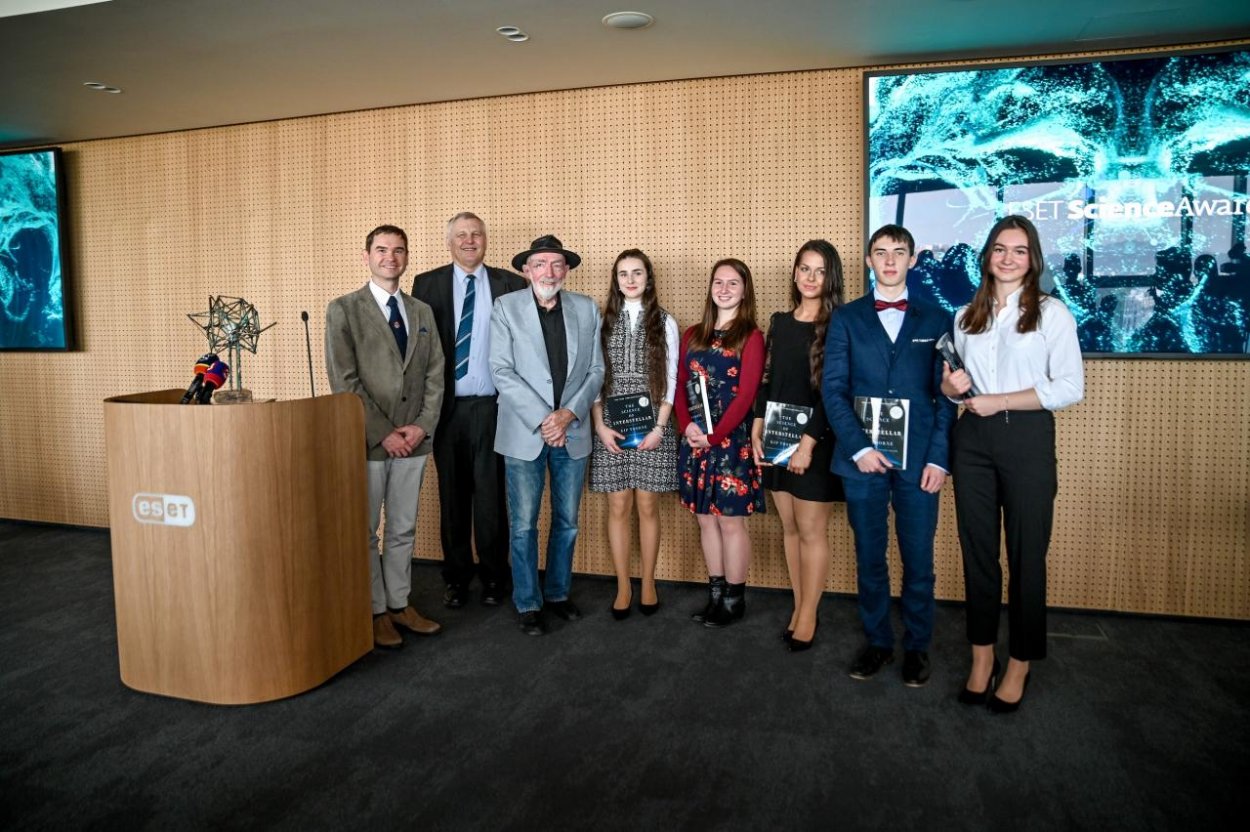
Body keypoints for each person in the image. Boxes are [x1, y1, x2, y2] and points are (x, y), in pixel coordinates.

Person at [942, 215, 1083, 713]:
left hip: (1026, 440)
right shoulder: (963, 317)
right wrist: (948, 388)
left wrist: (1000, 400)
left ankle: (1020, 661)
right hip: (973, 442)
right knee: (978, 554)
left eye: (1019, 250)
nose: (1007, 258)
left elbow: (1070, 388)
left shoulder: (1052, 314)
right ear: (987, 256)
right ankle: (982, 658)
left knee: (1026, 555)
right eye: (999, 249)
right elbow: (954, 384)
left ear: (1033, 259)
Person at [822, 224, 956, 686]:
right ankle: (878, 641)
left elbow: (947, 398)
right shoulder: (847, 318)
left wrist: (939, 459)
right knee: (870, 555)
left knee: (919, 558)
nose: (890, 260)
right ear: (868, 261)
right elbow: (833, 390)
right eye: (881, 252)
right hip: (862, 461)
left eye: (899, 252)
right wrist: (858, 447)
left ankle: (917, 646)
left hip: (920, 462)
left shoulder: (939, 319)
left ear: (914, 259)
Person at [325, 225, 445, 649]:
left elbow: (435, 376)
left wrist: (420, 427)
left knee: (403, 528)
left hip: (415, 440)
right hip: (369, 442)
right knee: (365, 532)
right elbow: (345, 381)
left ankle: (399, 604)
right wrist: (384, 433)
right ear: (366, 256)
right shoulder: (343, 310)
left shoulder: (421, 312)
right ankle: (374, 611)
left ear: (406, 256)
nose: (390, 257)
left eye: (398, 250)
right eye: (381, 250)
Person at [489, 235, 604, 636]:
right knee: (523, 525)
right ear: (527, 270)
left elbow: (596, 371)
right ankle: (528, 601)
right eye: (540, 264)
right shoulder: (505, 309)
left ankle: (557, 593)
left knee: (567, 521)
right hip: (525, 433)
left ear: (566, 270)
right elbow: (501, 371)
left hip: (572, 431)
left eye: (556, 264)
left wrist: (568, 414)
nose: (548, 272)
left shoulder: (587, 308)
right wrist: (545, 420)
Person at [411, 212, 527, 609]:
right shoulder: (426, 285)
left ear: (485, 241)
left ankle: (496, 577)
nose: (469, 240)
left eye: (476, 234)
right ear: (449, 242)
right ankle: (456, 577)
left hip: (495, 407)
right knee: (453, 497)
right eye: (461, 235)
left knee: (493, 498)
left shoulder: (510, 284)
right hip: (445, 409)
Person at [750, 240, 845, 651]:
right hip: (776, 436)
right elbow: (767, 379)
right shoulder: (780, 321)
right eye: (804, 269)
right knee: (788, 526)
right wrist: (757, 423)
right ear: (794, 273)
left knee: (811, 530)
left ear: (831, 278)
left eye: (819, 271)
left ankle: (809, 614)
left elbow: (836, 391)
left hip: (817, 443)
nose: (810, 277)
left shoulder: (840, 324)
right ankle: (799, 603)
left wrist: (809, 443)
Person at [675, 258, 765, 628]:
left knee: (730, 523)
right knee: (705, 522)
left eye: (732, 283)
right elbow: (678, 386)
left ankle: (734, 598)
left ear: (745, 291)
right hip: (694, 443)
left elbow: (746, 396)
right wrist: (686, 428)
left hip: (730, 445)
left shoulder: (752, 337)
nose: (724, 289)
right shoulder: (693, 333)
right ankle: (715, 594)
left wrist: (714, 436)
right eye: (718, 282)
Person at [590, 250, 680, 619]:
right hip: (611, 423)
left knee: (646, 504)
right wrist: (599, 424)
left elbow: (672, 379)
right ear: (616, 279)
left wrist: (660, 427)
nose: (630, 279)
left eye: (637, 273)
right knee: (618, 505)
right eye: (623, 274)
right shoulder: (601, 322)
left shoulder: (665, 322)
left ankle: (648, 581)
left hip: (653, 424)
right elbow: (593, 376)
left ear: (648, 278)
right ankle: (623, 584)